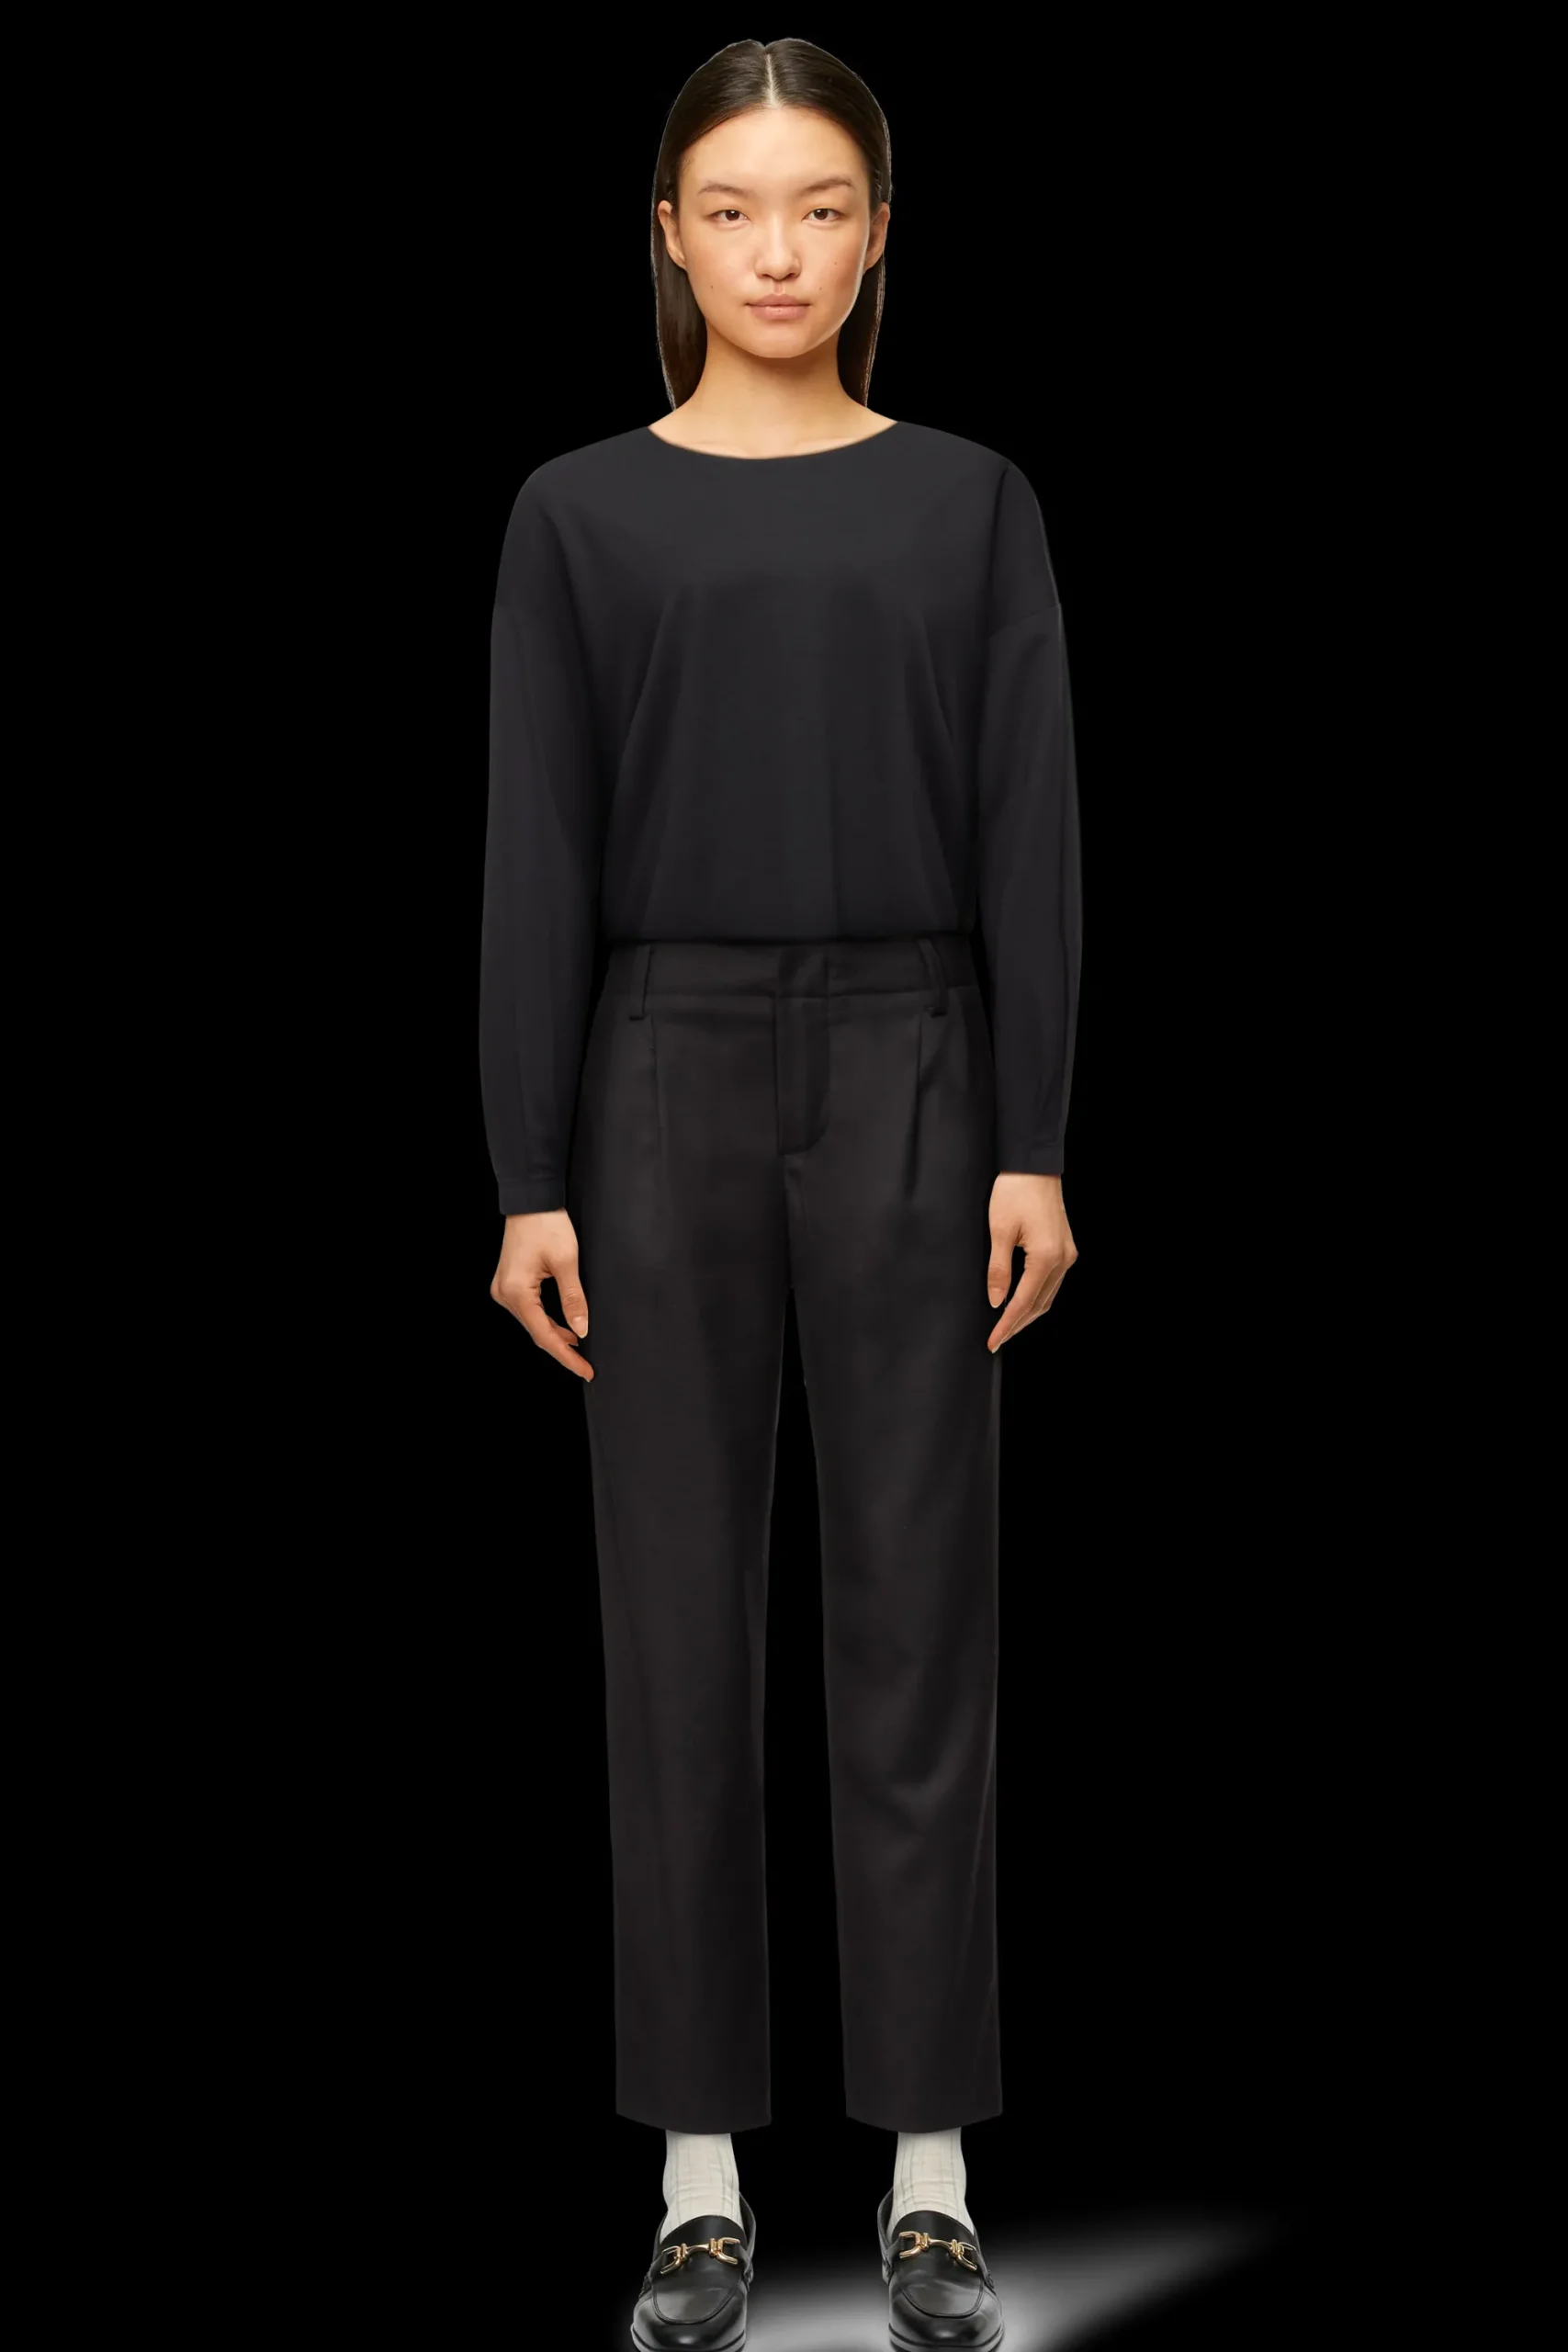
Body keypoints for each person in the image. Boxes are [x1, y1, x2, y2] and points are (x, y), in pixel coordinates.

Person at [479, 36, 1081, 2352]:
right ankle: (697, 2180)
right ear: (665, 234)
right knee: (674, 1630)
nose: (775, 253)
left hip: (921, 1048)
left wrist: (1035, 1131)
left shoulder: (970, 502)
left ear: (879, 233)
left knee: (923, 1617)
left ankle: (928, 2175)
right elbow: (535, 846)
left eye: (819, 207)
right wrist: (526, 1167)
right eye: (729, 210)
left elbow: (1032, 825)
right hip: (657, 1063)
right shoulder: (575, 514)